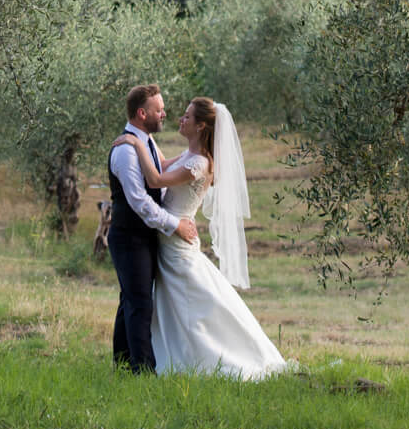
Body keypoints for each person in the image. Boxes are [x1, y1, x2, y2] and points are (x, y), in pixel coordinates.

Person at [113, 96, 288, 380]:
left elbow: (156, 178)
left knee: (193, 300)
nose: (180, 119)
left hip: (176, 241)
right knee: (177, 301)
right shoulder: (189, 156)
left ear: (201, 126)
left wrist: (134, 143)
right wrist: (141, 137)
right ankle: (167, 355)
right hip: (170, 238)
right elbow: (163, 161)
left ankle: (207, 355)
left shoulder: (200, 164)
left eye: (187, 117)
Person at [106, 84, 198, 373]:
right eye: (159, 110)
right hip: (129, 237)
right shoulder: (125, 151)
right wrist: (175, 226)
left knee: (131, 301)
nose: (164, 114)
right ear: (142, 113)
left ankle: (122, 365)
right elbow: (139, 202)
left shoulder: (143, 142)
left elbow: (161, 172)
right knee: (140, 304)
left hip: (145, 237)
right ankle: (142, 372)